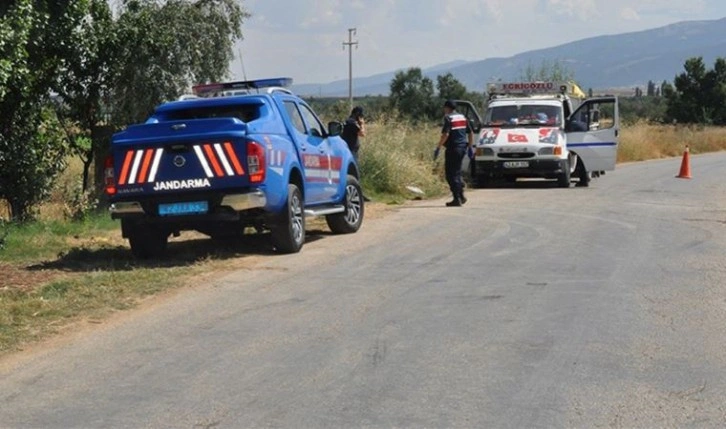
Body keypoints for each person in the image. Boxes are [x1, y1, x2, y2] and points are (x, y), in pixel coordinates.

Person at [435, 100, 474, 207]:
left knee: (450, 174)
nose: (444, 110)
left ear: (447, 108)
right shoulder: (462, 117)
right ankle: (461, 196)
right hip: (462, 148)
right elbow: (470, 132)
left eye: (444, 108)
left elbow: (446, 134)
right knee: (456, 172)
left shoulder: (448, 118)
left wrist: (438, 147)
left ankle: (457, 198)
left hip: (453, 149)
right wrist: (470, 147)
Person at [341, 106, 371, 201]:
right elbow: (362, 133)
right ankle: (358, 195)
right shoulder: (351, 122)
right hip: (351, 151)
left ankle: (357, 194)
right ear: (357, 114)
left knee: (354, 173)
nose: (361, 118)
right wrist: (362, 124)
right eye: (360, 116)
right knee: (355, 173)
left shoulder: (349, 122)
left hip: (351, 150)